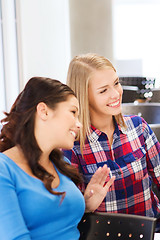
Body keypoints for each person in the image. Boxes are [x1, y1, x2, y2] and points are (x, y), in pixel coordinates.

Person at [63, 53, 160, 234]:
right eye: (103, 90)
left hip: (151, 232)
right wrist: (85, 205)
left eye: (116, 83)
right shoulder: (71, 145)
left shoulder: (138, 127)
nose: (115, 94)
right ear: (82, 96)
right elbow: (66, 215)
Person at [0, 77, 115, 240]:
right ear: (44, 111)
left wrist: (86, 206)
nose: (79, 124)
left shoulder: (61, 164)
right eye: (73, 112)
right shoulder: (4, 169)